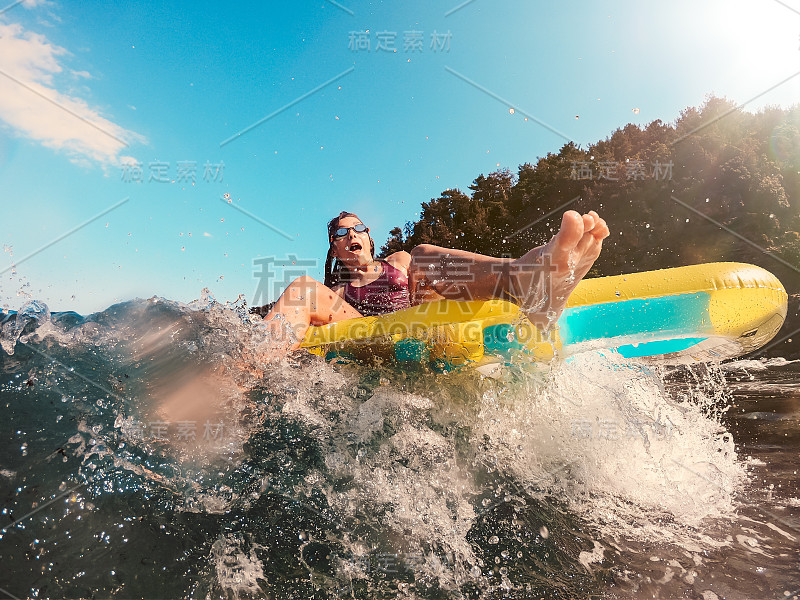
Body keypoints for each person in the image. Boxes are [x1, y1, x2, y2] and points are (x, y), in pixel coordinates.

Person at [255, 209, 609, 352]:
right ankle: (247, 370)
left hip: (429, 327)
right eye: (342, 232)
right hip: (379, 341)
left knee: (422, 253)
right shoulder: (333, 293)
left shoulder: (398, 261)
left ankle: (528, 279)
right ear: (333, 250)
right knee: (302, 289)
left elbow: (432, 282)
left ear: (370, 239)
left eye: (359, 228)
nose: (353, 234)